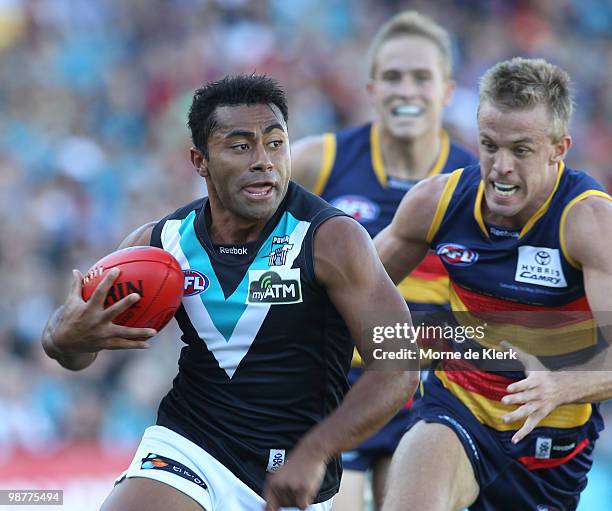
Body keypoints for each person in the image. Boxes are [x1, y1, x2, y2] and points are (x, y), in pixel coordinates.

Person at [40, 75, 419, 511]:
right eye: (241, 146)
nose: (264, 161)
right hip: (189, 447)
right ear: (199, 160)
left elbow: (400, 367)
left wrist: (315, 450)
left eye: (276, 143)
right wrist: (62, 338)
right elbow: (71, 347)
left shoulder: (333, 239)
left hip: (292, 472)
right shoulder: (163, 243)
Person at [375, 57, 612, 511]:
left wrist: (562, 386)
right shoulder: (437, 202)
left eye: (520, 150)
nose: (500, 166)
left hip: (550, 446)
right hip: (457, 411)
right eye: (489, 146)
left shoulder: (588, 222)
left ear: (558, 149)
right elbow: (353, 289)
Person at [291, 11, 477, 510]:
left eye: (422, 78)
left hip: (430, 391)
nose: (406, 90)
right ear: (372, 89)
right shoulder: (317, 162)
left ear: (446, 90)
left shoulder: (474, 182)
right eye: (393, 77)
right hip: (336, 388)